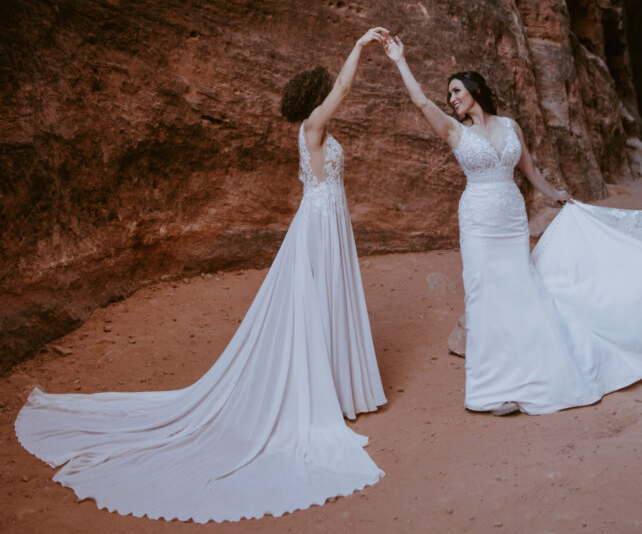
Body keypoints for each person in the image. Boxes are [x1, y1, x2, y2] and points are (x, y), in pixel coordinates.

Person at [15, 29, 387, 522]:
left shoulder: (316, 130)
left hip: (325, 220)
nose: (331, 94)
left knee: (326, 302)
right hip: (319, 225)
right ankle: (318, 395)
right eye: (326, 90)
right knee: (318, 302)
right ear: (315, 98)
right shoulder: (315, 125)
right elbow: (343, 89)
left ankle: (332, 389)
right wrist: (359, 46)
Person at [382, 33, 642, 416]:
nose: (452, 99)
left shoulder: (510, 127)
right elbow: (420, 100)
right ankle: (490, 389)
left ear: (474, 90)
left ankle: (529, 372)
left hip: (510, 219)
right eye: (449, 96)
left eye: (456, 91)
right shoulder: (455, 131)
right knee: (482, 296)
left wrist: (556, 194)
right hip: (477, 219)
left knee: (519, 293)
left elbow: (530, 172)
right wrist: (399, 61)